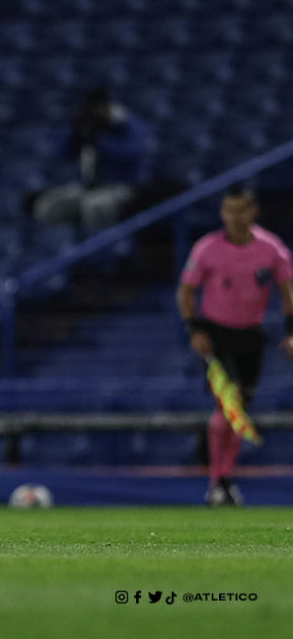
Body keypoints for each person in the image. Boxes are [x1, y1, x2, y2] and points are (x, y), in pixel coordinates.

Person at [176, 186, 293, 506]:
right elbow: (185, 293)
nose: (235, 216)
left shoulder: (271, 248)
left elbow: (287, 290)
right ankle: (219, 481)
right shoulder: (207, 249)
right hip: (217, 335)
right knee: (229, 401)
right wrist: (194, 330)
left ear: (252, 211)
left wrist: (291, 331)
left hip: (250, 336)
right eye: (229, 209)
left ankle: (223, 482)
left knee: (237, 409)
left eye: (241, 209)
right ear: (222, 212)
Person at [32, 87, 152, 229]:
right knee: (46, 207)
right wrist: (75, 136)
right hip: (89, 187)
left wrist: (100, 141)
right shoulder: (90, 124)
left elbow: (134, 152)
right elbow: (61, 155)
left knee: (92, 206)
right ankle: (61, 245)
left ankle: (97, 247)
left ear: (105, 106)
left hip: (123, 187)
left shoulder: (125, 123)